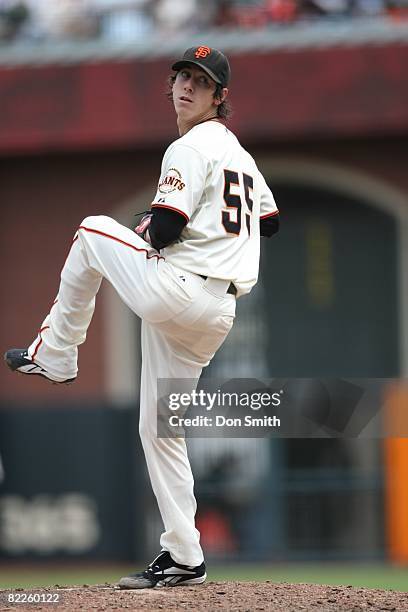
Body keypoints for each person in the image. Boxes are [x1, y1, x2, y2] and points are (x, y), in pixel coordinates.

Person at [4, 46, 279, 588]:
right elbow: (268, 221)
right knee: (161, 428)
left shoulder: (189, 146)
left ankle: (56, 353)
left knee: (89, 230)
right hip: (215, 311)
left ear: (219, 97)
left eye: (200, 82)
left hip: (179, 292)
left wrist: (150, 232)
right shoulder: (240, 156)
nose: (185, 86)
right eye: (181, 76)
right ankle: (184, 554)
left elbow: (169, 227)